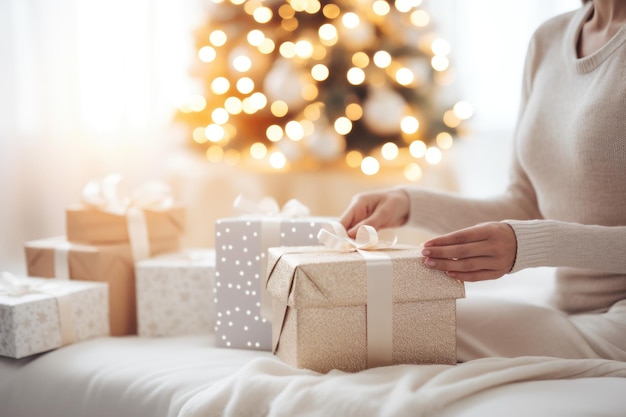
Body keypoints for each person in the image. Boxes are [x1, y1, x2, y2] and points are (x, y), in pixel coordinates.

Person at [339, 0, 626, 362]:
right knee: (383, 317)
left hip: (619, 323)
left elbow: (528, 232)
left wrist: (529, 245)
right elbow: (524, 204)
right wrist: (409, 204)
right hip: (566, 308)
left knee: (393, 323)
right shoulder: (548, 39)